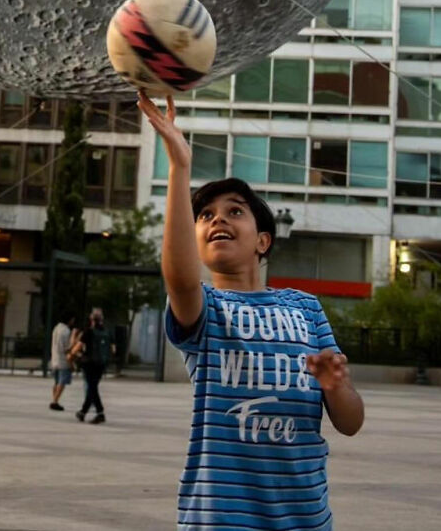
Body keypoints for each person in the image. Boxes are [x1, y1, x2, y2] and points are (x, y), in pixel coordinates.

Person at [139, 91, 364, 531]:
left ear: (263, 241)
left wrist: (336, 387)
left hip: (304, 518)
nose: (217, 219)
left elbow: (351, 422)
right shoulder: (206, 308)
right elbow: (180, 279)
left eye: (234, 211)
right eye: (204, 215)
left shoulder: (306, 308)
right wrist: (179, 165)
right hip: (220, 518)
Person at [75, 307, 112, 424]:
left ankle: (100, 413)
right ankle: (83, 412)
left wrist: (75, 354)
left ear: (92, 319)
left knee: (92, 388)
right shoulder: (106, 332)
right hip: (101, 364)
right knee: (93, 387)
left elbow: (77, 347)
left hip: (89, 363)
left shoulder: (88, 331)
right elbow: (113, 349)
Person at [49, 312, 77, 411]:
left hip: (55, 358)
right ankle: (55, 401)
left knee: (56, 381)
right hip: (63, 360)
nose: (73, 321)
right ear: (69, 320)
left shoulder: (56, 328)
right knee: (62, 382)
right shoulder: (66, 331)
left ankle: (54, 399)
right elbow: (67, 348)